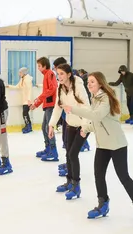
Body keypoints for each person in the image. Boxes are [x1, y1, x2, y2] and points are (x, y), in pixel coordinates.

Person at [62, 71, 133, 225]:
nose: (89, 84)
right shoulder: (95, 99)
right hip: (102, 145)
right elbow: (97, 122)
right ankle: (103, 205)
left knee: (123, 177)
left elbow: (95, 116)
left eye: (92, 82)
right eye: (88, 82)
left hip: (117, 145)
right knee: (99, 175)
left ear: (100, 84)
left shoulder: (106, 99)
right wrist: (86, 128)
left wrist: (73, 109)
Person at [48, 63, 90, 199]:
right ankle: (69, 182)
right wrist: (51, 125)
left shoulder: (78, 86)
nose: (59, 76)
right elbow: (57, 107)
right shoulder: (60, 87)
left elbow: (87, 107)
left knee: (72, 154)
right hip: (70, 124)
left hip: (83, 125)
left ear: (69, 74)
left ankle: (76, 186)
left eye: (61, 74)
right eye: (57, 74)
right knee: (68, 153)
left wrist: (84, 127)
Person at [30, 57, 58, 161]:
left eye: (39, 66)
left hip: (51, 105)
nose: (38, 68)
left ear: (45, 66)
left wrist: (38, 100)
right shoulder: (46, 75)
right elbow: (45, 93)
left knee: (48, 128)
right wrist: (36, 104)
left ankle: (53, 151)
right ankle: (48, 148)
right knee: (44, 127)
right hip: (47, 105)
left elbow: (52, 88)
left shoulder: (49, 73)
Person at [7, 67, 33, 134]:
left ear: (23, 73)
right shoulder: (23, 79)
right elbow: (17, 86)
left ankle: (28, 126)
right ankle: (28, 126)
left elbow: (29, 90)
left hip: (27, 100)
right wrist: (9, 86)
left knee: (25, 113)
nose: (19, 74)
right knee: (25, 113)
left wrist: (29, 100)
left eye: (20, 72)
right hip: (25, 100)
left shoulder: (27, 80)